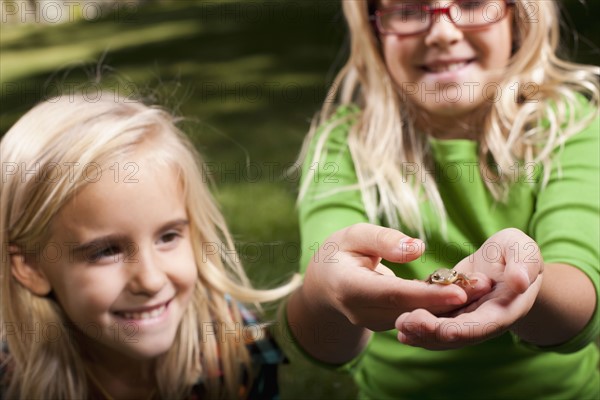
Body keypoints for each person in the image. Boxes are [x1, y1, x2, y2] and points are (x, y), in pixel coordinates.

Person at [285, 0, 599, 398]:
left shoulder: (570, 126)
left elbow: (580, 302)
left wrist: (525, 281)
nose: (443, 32)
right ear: (373, 27)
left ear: (517, 12)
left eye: (471, 3)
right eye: (408, 9)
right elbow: (319, 340)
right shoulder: (343, 145)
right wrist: (324, 291)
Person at [0, 93, 300, 399]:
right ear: (31, 267)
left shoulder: (235, 348)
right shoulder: (11, 378)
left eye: (168, 237)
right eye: (107, 251)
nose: (152, 280)